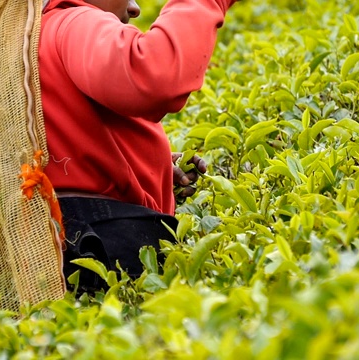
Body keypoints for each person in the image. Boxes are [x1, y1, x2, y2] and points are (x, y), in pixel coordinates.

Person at [39, 0, 237, 291]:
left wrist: (149, 169)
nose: (134, 8)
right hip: (100, 243)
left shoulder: (25, 45)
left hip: (58, 244)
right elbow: (155, 75)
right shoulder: (72, 23)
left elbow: (65, 148)